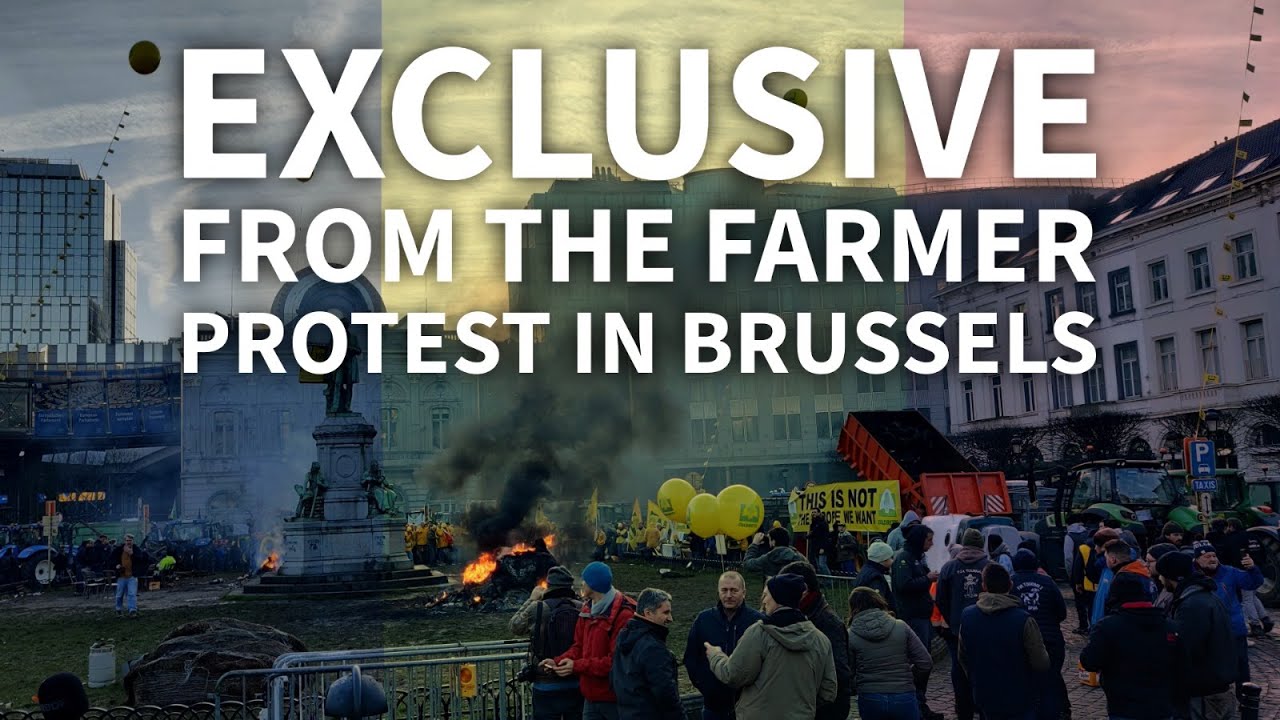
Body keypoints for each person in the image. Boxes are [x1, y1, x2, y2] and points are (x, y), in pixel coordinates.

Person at [705, 574, 837, 720]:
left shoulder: (759, 633)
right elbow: (828, 691)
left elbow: (733, 675)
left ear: (777, 598)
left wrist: (715, 655)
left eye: (766, 595)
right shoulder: (821, 640)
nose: (763, 600)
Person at [1079, 573, 1183, 720]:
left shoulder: (1108, 626)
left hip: (1123, 706)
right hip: (1162, 705)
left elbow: (1089, 662)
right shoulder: (1170, 626)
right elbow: (1183, 663)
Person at [544, 561, 635, 720]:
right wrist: (557, 661)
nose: (582, 583)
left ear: (593, 585)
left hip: (615, 699)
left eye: (585, 580)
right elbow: (579, 647)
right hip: (590, 698)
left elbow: (615, 662)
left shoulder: (623, 615)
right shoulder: (586, 610)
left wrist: (576, 666)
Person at [957, 564, 1049, 720]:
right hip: (1019, 696)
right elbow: (1041, 662)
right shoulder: (1023, 620)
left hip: (984, 694)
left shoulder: (967, 616)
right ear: (1010, 585)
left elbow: (963, 657)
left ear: (983, 586)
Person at [1156, 550, 1240, 720]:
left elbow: (1185, 649)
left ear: (1170, 576)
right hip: (1211, 688)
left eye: (1161, 575)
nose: (1159, 579)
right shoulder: (1202, 596)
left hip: (1204, 694)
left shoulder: (1192, 604)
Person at [684, 571, 765, 720]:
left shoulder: (757, 622)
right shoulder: (704, 619)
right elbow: (691, 658)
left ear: (744, 592)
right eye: (724, 590)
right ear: (718, 591)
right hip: (713, 707)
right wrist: (706, 687)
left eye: (734, 590)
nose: (728, 595)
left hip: (747, 706)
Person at [847, 586, 933, 720]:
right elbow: (925, 662)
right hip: (903, 694)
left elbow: (848, 671)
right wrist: (910, 678)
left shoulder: (851, 635)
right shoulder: (901, 626)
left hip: (870, 696)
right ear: (878, 601)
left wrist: (859, 684)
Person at [510, 566, 584, 720]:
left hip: (545, 683)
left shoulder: (539, 608)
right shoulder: (581, 607)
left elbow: (515, 626)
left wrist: (532, 599)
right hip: (575, 681)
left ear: (548, 586)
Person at [781, 561, 852, 720]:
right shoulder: (801, 614)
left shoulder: (827, 622)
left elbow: (839, 673)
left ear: (804, 590)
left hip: (825, 709)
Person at [1191, 540, 1263, 693]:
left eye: (1214, 555)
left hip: (1234, 630)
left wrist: (1252, 569)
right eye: (1207, 556)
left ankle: (1245, 698)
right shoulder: (1191, 576)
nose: (1212, 559)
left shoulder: (1229, 572)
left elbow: (1253, 583)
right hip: (1208, 632)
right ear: (1196, 559)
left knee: (1241, 666)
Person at [935, 528, 988, 720]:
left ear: (964, 543)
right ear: (981, 544)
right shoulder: (988, 565)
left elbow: (940, 598)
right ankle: (983, 709)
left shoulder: (949, 568)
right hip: (985, 631)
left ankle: (963, 711)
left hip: (957, 631)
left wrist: (952, 620)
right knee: (983, 671)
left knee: (959, 671)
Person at [1010, 549, 1068, 720]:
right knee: (1050, 683)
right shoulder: (1048, 582)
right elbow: (1062, 612)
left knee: (1025, 682)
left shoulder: (1010, 583)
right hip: (1051, 639)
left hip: (1022, 641)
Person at [892, 524, 941, 720]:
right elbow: (904, 585)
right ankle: (916, 705)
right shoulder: (904, 559)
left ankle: (920, 704)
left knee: (924, 661)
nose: (932, 543)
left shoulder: (917, 558)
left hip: (922, 616)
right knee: (920, 662)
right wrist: (927, 578)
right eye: (929, 539)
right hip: (913, 618)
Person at [611, 588, 682, 720]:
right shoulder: (653, 648)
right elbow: (665, 694)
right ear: (648, 613)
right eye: (666, 612)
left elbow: (614, 680)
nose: (670, 618)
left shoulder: (624, 639)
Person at [109, 534, 148, 617]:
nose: (128, 542)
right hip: (121, 576)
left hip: (132, 576)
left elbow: (141, 559)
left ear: (132, 541)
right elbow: (111, 559)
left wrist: (132, 554)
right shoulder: (119, 549)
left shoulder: (136, 549)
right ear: (124, 541)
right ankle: (118, 609)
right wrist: (116, 565)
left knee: (132, 593)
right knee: (119, 595)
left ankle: (132, 610)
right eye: (127, 540)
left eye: (130, 540)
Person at [854, 541, 896, 612]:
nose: (892, 561)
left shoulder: (866, 569)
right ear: (883, 559)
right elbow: (879, 602)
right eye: (890, 558)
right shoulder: (875, 577)